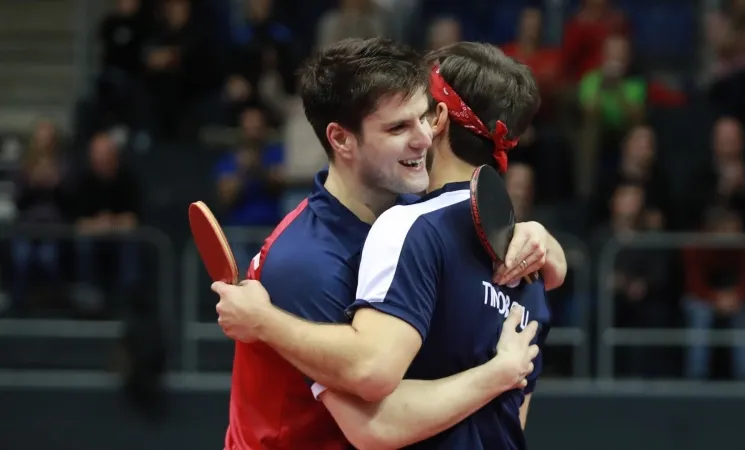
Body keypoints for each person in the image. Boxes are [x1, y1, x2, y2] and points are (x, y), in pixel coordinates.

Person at [214, 38, 567, 449]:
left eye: (425, 117)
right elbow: (374, 419)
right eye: (399, 127)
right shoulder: (307, 262)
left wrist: (544, 241)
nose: (423, 137)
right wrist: (262, 320)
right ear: (342, 140)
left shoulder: (438, 230)